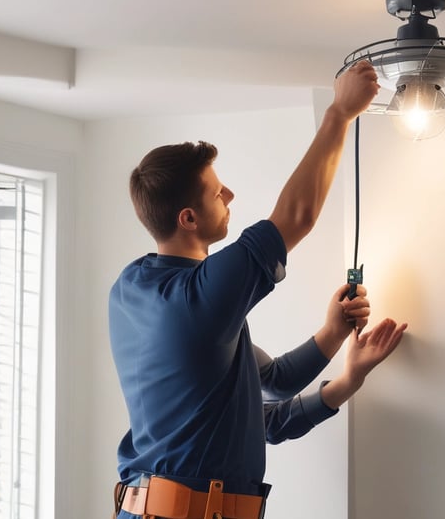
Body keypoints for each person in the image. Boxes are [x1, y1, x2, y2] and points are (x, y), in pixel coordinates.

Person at [108, 60, 407, 519]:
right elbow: (297, 216)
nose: (229, 196)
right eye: (216, 192)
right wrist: (339, 114)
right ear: (187, 218)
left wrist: (338, 350)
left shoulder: (130, 288)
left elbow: (272, 390)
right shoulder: (201, 296)